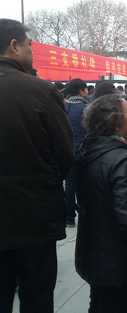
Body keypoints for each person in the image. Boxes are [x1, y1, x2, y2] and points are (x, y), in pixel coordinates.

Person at [0, 19, 74, 312]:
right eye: (30, 45)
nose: (32, 52)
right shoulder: (40, 91)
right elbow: (64, 154)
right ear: (14, 46)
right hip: (34, 215)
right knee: (36, 297)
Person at [73, 94, 127, 313]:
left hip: (96, 252)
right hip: (116, 258)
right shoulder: (121, 160)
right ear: (115, 123)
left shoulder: (90, 151)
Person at [63, 78, 89, 227]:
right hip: (83, 151)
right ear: (81, 91)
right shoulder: (85, 108)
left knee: (70, 184)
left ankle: (69, 218)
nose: (87, 92)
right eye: (86, 90)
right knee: (85, 184)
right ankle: (85, 215)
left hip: (66, 150)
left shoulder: (61, 106)